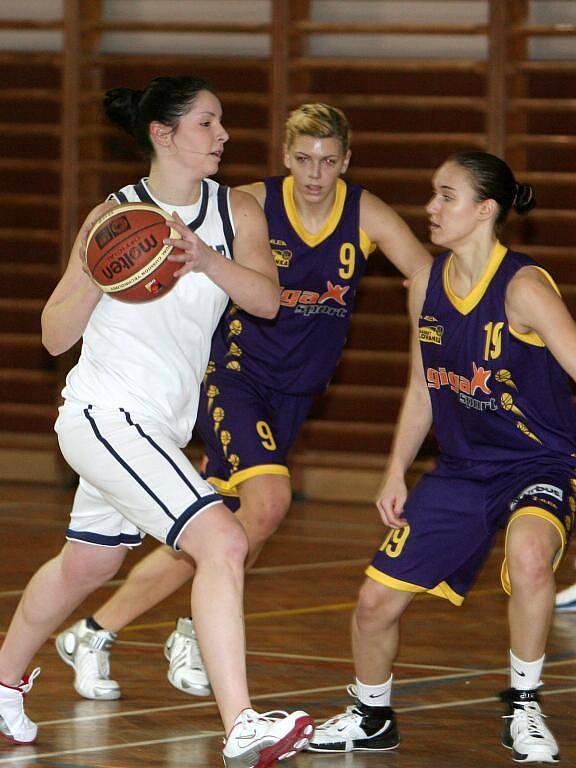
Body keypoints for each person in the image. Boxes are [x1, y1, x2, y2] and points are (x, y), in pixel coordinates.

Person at [53, 104, 432, 699]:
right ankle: (190, 631)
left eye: (329, 161)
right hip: (234, 376)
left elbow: (427, 275)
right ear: (286, 157)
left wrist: (432, 328)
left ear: (347, 162)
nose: (315, 174)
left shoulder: (364, 213)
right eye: (304, 159)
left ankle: (96, 631)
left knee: (226, 529)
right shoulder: (248, 204)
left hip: (296, 391)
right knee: (268, 503)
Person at [0, 75, 316, 767]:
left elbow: (266, 301)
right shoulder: (112, 220)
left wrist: (204, 258)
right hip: (103, 414)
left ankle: (1, 682)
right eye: (208, 123)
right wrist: (97, 273)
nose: (224, 135)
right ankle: (241, 724)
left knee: (88, 563)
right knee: (223, 542)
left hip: (160, 430)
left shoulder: (237, 211)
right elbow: (53, 337)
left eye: (222, 121)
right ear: (163, 135)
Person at [306, 151, 573, 763]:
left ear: (484, 210)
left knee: (532, 556)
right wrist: (396, 467)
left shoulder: (525, 289)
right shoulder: (425, 284)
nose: (430, 207)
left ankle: (525, 708)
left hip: (540, 462)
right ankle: (371, 715)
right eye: (433, 193)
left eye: (445, 196)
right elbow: (424, 384)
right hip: (461, 469)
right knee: (374, 603)